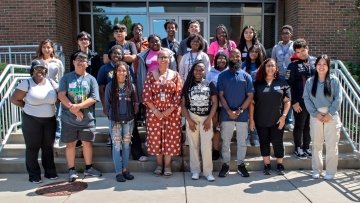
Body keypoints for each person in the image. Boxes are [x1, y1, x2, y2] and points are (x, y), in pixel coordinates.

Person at [11, 59, 58, 183]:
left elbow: (60, 97)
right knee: (33, 148)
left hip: (50, 120)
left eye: (42, 69)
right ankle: (34, 175)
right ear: (32, 71)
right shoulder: (26, 83)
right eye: (37, 69)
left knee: (48, 147)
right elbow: (15, 99)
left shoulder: (51, 83)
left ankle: (50, 172)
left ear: (46, 71)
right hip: (31, 120)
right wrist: (27, 107)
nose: (40, 71)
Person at [58, 52, 102, 182]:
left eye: (83, 60)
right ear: (73, 62)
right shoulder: (66, 78)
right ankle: (71, 170)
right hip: (68, 119)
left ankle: (89, 168)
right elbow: (61, 95)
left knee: (87, 144)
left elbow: (94, 98)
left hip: (87, 119)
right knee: (70, 145)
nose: (80, 62)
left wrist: (78, 107)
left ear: (87, 63)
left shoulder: (91, 79)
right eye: (78, 59)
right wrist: (73, 109)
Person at [135, 34, 177, 161]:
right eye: (152, 41)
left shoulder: (168, 53)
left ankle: (167, 162)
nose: (155, 43)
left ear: (160, 41)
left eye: (157, 41)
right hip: (151, 88)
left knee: (169, 129)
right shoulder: (144, 55)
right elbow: (140, 73)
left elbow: (175, 75)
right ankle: (151, 140)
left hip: (168, 88)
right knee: (151, 120)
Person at [143, 50, 182, 176]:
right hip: (154, 114)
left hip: (172, 113)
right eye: (161, 57)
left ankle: (168, 165)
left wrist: (167, 111)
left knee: (170, 138)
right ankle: (159, 164)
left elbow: (178, 94)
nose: (163, 59)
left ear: (169, 59)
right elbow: (147, 95)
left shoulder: (175, 75)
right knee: (156, 138)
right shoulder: (150, 75)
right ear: (157, 59)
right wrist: (156, 111)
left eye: (165, 57)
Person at [249, 58, 291, 175]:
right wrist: (251, 120)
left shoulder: (282, 82)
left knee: (278, 142)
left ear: (276, 68)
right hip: (261, 119)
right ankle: (267, 165)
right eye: (268, 66)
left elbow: (287, 101)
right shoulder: (257, 83)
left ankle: (279, 164)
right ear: (264, 67)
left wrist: (284, 116)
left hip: (278, 119)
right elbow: (252, 104)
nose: (270, 68)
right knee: (264, 142)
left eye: (272, 65)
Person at [303, 55, 342, 180]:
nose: (321, 66)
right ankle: (316, 170)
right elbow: (307, 99)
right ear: (315, 66)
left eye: (324, 64)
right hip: (316, 117)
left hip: (332, 117)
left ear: (328, 66)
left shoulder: (334, 80)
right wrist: (315, 114)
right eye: (319, 64)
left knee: (332, 145)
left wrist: (330, 113)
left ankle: (330, 172)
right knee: (316, 145)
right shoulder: (310, 82)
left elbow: (338, 98)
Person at [217, 48, 253, 178]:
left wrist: (240, 110)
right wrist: (228, 111)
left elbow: (249, 96)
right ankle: (226, 164)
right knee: (225, 141)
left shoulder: (246, 76)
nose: (235, 58)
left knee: (242, 141)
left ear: (240, 58)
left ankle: (241, 165)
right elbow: (220, 95)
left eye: (237, 56)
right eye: (232, 56)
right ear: (229, 58)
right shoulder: (222, 75)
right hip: (226, 115)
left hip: (242, 115)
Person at [182, 60, 218, 182]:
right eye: (196, 69)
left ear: (204, 71)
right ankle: (195, 171)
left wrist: (209, 119)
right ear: (193, 71)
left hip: (206, 118)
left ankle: (208, 172)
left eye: (201, 69)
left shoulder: (210, 84)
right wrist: (189, 120)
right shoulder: (187, 85)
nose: (199, 72)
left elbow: (215, 103)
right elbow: (183, 106)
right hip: (192, 117)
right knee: (193, 145)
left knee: (206, 146)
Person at [105, 61, 139, 182]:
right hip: (115, 121)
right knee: (116, 146)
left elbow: (136, 102)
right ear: (115, 72)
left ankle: (125, 169)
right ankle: (118, 172)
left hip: (129, 120)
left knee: (126, 146)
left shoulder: (131, 86)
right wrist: (113, 117)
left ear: (127, 72)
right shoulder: (110, 86)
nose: (121, 72)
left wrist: (134, 112)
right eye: (119, 70)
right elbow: (107, 104)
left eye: (124, 70)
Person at [286, 38, 316, 159]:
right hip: (299, 101)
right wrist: (293, 102)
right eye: (298, 52)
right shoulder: (292, 65)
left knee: (308, 125)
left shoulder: (314, 63)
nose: (301, 53)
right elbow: (288, 85)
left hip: (312, 102)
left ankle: (306, 147)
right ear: (295, 53)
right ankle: (298, 148)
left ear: (307, 49)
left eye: (303, 50)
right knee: (299, 125)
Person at [35, 39, 65, 149]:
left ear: (52, 49)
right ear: (41, 48)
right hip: (40, 91)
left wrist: (61, 93)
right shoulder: (37, 61)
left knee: (57, 116)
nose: (46, 49)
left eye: (48, 47)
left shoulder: (58, 62)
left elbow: (62, 78)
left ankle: (56, 138)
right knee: (42, 116)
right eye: (44, 47)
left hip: (54, 90)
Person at [205, 52, 229, 160]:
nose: (221, 60)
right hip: (214, 104)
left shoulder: (229, 72)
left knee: (224, 128)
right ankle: (215, 150)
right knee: (215, 128)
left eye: (224, 58)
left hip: (227, 104)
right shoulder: (211, 72)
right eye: (219, 58)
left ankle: (224, 150)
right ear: (215, 60)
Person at [271, 25, 295, 131]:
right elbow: (272, 61)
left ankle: (289, 121)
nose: (285, 35)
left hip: (291, 76)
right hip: (279, 76)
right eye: (283, 33)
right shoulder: (276, 47)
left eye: (287, 33)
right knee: (279, 98)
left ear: (291, 34)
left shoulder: (294, 46)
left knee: (289, 98)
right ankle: (279, 118)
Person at [241, 45, 264, 147]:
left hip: (258, 94)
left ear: (259, 53)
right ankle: (246, 137)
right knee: (245, 116)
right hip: (245, 94)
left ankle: (255, 137)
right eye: (251, 51)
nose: (253, 53)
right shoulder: (244, 64)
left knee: (255, 116)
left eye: (256, 52)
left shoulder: (262, 65)